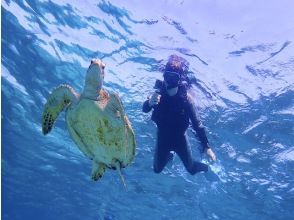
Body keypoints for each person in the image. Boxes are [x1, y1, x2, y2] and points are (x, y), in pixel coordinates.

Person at [142, 55, 217, 176]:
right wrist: (149, 102)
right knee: (157, 169)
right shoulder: (157, 95)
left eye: (174, 78)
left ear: (179, 80)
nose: (169, 82)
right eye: (167, 77)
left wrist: (206, 147)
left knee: (191, 169)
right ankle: (169, 155)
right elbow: (145, 109)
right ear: (164, 76)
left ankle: (209, 169)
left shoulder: (186, 100)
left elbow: (197, 124)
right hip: (163, 137)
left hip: (180, 139)